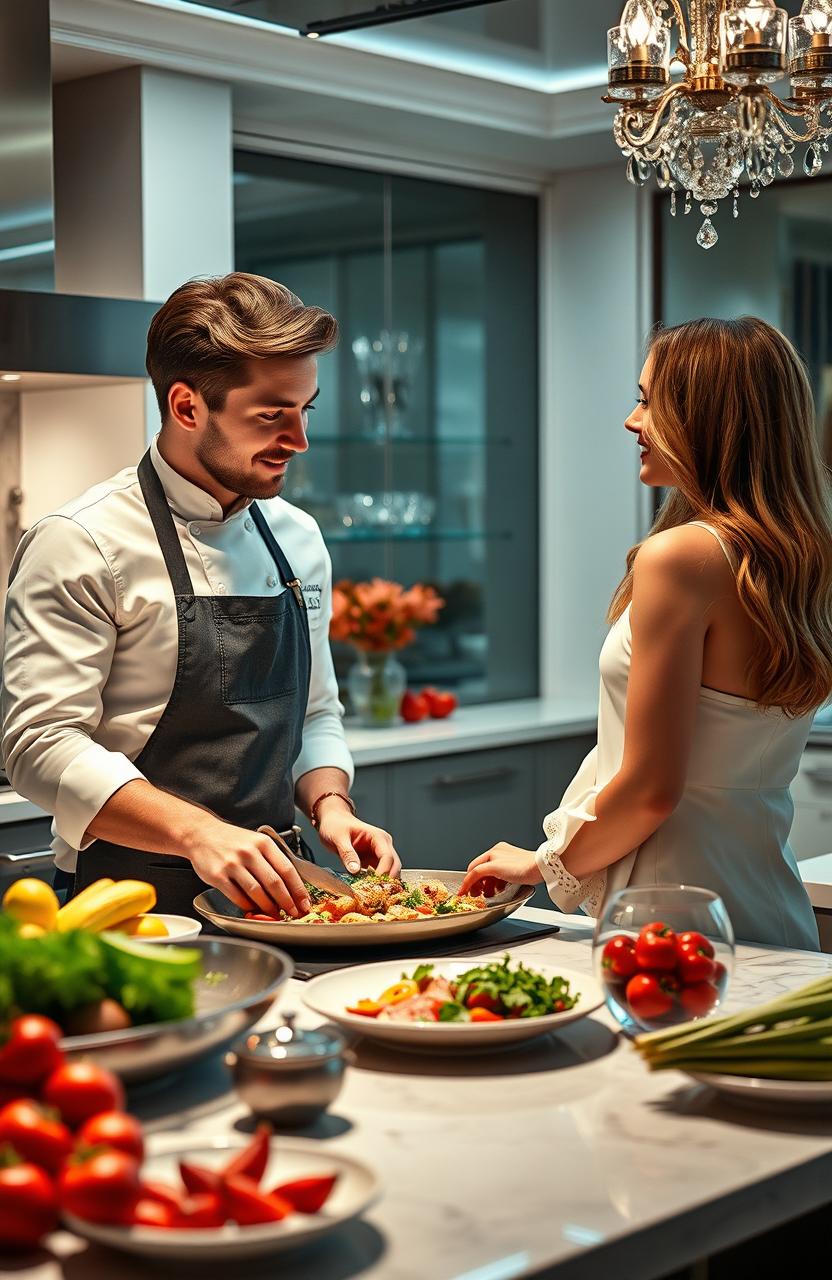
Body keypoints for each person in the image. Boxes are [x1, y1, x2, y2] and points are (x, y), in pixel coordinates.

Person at [1, 272, 400, 919]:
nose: (298, 441)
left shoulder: (297, 538)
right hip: (131, 907)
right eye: (273, 415)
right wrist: (200, 833)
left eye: (307, 410)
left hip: (283, 893)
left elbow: (317, 713)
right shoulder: (81, 542)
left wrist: (331, 803)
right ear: (187, 407)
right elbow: (38, 745)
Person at [461, 317, 832, 950]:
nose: (633, 421)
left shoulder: (681, 557)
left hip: (674, 917)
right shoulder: (797, 558)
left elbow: (651, 789)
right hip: (767, 901)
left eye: (650, 401)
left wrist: (541, 863)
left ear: (712, 419)